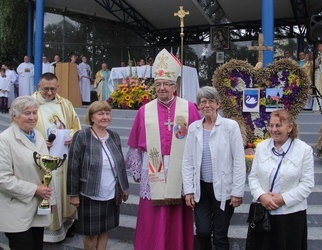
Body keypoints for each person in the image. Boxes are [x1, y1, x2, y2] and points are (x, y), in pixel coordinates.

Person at [125, 48, 202, 250]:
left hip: (180, 169)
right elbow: (134, 145)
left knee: (178, 215)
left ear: (174, 86)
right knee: (152, 216)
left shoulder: (189, 108)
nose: (161, 88)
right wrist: (136, 170)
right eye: (158, 84)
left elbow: (198, 142)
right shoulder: (145, 110)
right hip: (153, 169)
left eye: (166, 84)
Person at [182, 86, 246, 250]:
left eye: (211, 101)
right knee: (202, 231)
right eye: (203, 102)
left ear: (218, 104)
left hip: (224, 190)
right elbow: (188, 161)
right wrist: (188, 190)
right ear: (198, 106)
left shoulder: (230, 127)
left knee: (220, 235)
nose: (207, 105)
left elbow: (239, 160)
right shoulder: (194, 128)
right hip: (201, 189)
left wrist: (237, 191)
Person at [0, 96, 54, 250]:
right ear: (15, 116)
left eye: (34, 112)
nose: (32, 117)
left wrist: (52, 200)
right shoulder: (3, 141)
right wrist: (35, 189)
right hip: (15, 209)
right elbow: (0, 179)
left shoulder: (37, 136)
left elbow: (48, 171)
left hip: (37, 207)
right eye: (27, 113)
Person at [246, 109, 314, 250]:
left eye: (278, 126)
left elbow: (307, 184)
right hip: (262, 212)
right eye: (271, 125)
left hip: (290, 216)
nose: (274, 129)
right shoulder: (262, 147)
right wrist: (262, 196)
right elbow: (253, 177)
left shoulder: (304, 150)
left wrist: (282, 199)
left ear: (290, 127)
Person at [67, 101, 129, 250]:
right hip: (90, 193)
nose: (105, 117)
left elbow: (120, 165)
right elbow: (73, 166)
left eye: (107, 113)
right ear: (91, 117)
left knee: (104, 230)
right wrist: (73, 194)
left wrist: (124, 187)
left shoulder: (113, 136)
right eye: (100, 114)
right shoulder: (82, 136)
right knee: (91, 234)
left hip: (111, 193)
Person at [32, 72, 82, 242]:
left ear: (58, 87)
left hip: (62, 159)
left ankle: (66, 225)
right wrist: (38, 141)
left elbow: (76, 126)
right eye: (45, 89)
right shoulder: (30, 104)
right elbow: (20, 127)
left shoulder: (65, 104)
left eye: (53, 89)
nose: (49, 93)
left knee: (62, 191)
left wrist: (72, 136)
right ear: (38, 86)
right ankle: (43, 228)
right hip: (39, 159)